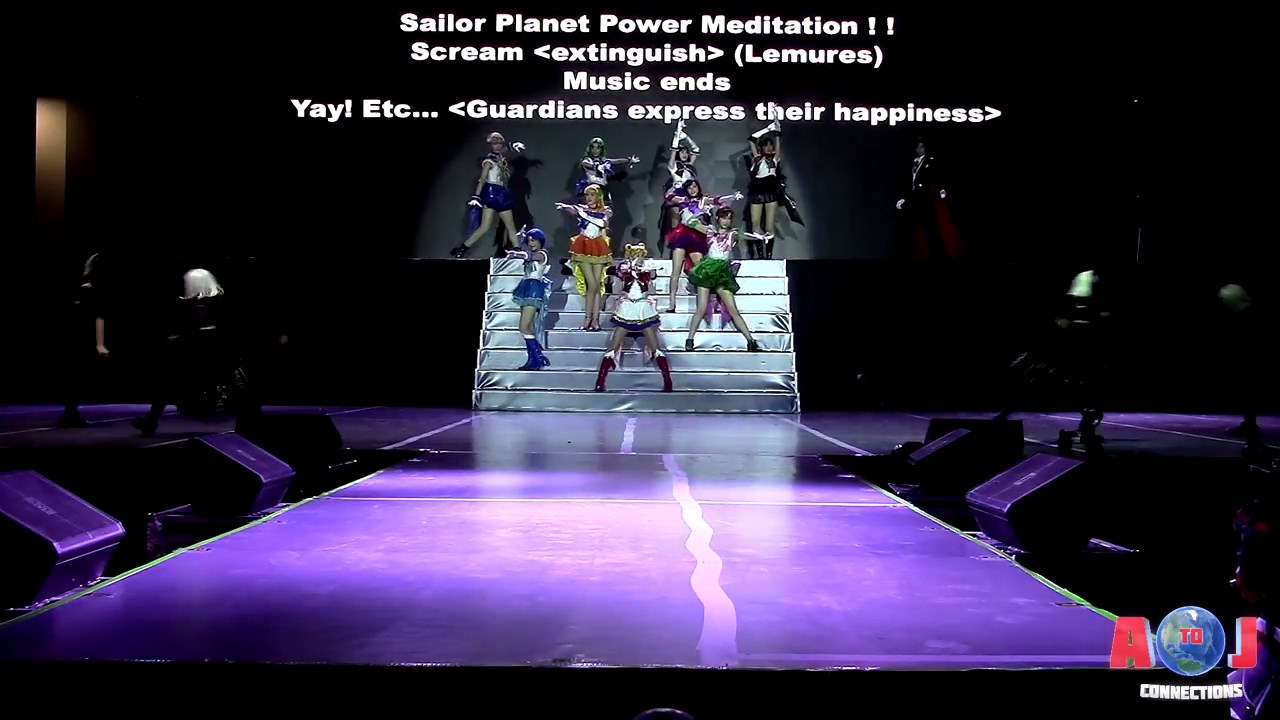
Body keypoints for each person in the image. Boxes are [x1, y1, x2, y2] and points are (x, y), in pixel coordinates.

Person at [997, 269, 1111, 453]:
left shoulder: (1092, 298)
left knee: (1087, 390)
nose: (1080, 304)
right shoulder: (1081, 288)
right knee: (1036, 379)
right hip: (1068, 349)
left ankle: (1087, 423)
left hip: (1081, 351)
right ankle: (1004, 415)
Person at [132, 269, 240, 437]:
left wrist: (179, 338)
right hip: (213, 348)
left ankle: (151, 421)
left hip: (202, 348)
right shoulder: (217, 301)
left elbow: (198, 329)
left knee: (167, 380)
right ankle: (151, 421)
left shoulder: (199, 303)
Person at [594, 244, 673, 393]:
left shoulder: (647, 269)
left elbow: (653, 275)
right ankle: (600, 382)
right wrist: (627, 269)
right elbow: (613, 271)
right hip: (627, 308)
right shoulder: (624, 269)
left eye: (640, 255)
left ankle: (667, 381)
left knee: (656, 347)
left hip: (643, 308)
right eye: (634, 255)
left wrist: (641, 269)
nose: (638, 258)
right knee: (612, 347)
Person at [684, 205, 759, 352]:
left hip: (723, 272)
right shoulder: (709, 231)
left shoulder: (732, 234)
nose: (726, 221)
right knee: (701, 308)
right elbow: (690, 222)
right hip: (707, 270)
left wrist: (760, 237)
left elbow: (748, 235)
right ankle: (690, 340)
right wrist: (700, 210)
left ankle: (751, 340)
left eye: (729, 218)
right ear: (718, 218)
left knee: (733, 309)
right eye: (724, 218)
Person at [450, 132, 528, 258]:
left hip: (497, 194)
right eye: (494, 144)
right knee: (495, 226)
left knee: (497, 226)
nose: (497, 146)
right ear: (491, 145)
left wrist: (511, 146)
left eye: (499, 143)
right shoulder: (489, 161)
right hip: (494, 194)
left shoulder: (498, 158)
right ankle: (463, 248)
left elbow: (502, 152)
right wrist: (476, 196)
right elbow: (482, 179)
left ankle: (462, 249)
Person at [58, 253, 110, 428]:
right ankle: (70, 413)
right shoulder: (89, 289)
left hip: (78, 337)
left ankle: (70, 412)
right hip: (79, 338)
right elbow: (98, 317)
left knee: (76, 377)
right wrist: (100, 344)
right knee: (76, 376)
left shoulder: (89, 288)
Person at [557, 184, 613, 331]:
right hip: (583, 247)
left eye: (592, 195)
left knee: (597, 286)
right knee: (592, 285)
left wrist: (588, 214)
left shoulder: (605, 211)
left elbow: (603, 224)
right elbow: (573, 209)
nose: (589, 198)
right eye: (587, 195)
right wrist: (565, 207)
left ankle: (595, 320)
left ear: (598, 197)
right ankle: (587, 318)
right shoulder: (582, 209)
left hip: (598, 248)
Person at [895, 137, 961, 259]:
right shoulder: (911, 162)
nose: (919, 149)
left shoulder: (931, 161)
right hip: (912, 200)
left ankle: (940, 257)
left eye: (922, 147)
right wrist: (902, 198)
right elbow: (906, 182)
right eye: (917, 147)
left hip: (925, 200)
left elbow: (938, 175)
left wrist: (942, 189)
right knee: (909, 231)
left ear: (925, 148)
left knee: (931, 231)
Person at [1219, 283, 1265, 440]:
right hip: (1247, 359)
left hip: (1251, 360)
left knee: (1249, 390)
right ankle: (1249, 423)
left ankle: (1250, 425)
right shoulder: (1244, 313)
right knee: (1247, 391)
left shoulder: (1247, 315)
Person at [506, 226, 553, 370]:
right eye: (529, 240)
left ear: (540, 241)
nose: (531, 243)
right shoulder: (532, 252)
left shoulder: (542, 254)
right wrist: (520, 240)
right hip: (527, 288)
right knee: (528, 327)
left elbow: (529, 256)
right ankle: (534, 359)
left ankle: (537, 359)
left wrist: (516, 253)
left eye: (534, 240)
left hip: (533, 289)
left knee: (524, 327)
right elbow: (526, 254)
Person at [744, 117, 784, 259]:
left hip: (770, 192)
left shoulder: (775, 159)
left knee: (769, 226)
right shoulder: (756, 158)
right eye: (766, 145)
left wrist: (776, 131)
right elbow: (751, 139)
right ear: (761, 147)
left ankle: (769, 256)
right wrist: (768, 129)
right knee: (755, 225)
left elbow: (778, 140)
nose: (769, 147)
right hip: (757, 191)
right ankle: (760, 255)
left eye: (770, 145)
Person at [660, 119, 701, 242]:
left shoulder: (689, 166)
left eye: (686, 152)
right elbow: (673, 149)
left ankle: (689, 244)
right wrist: (677, 135)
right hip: (677, 196)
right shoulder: (673, 166)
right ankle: (676, 245)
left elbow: (696, 149)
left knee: (692, 222)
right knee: (676, 222)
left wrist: (685, 136)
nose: (684, 154)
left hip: (690, 195)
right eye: (682, 152)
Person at [575, 136, 638, 200]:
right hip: (592, 188)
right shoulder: (588, 159)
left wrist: (628, 160)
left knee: (606, 203)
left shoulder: (603, 161)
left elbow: (616, 161)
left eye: (598, 148)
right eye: (593, 147)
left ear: (601, 149)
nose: (595, 150)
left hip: (603, 189)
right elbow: (585, 163)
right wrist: (596, 166)